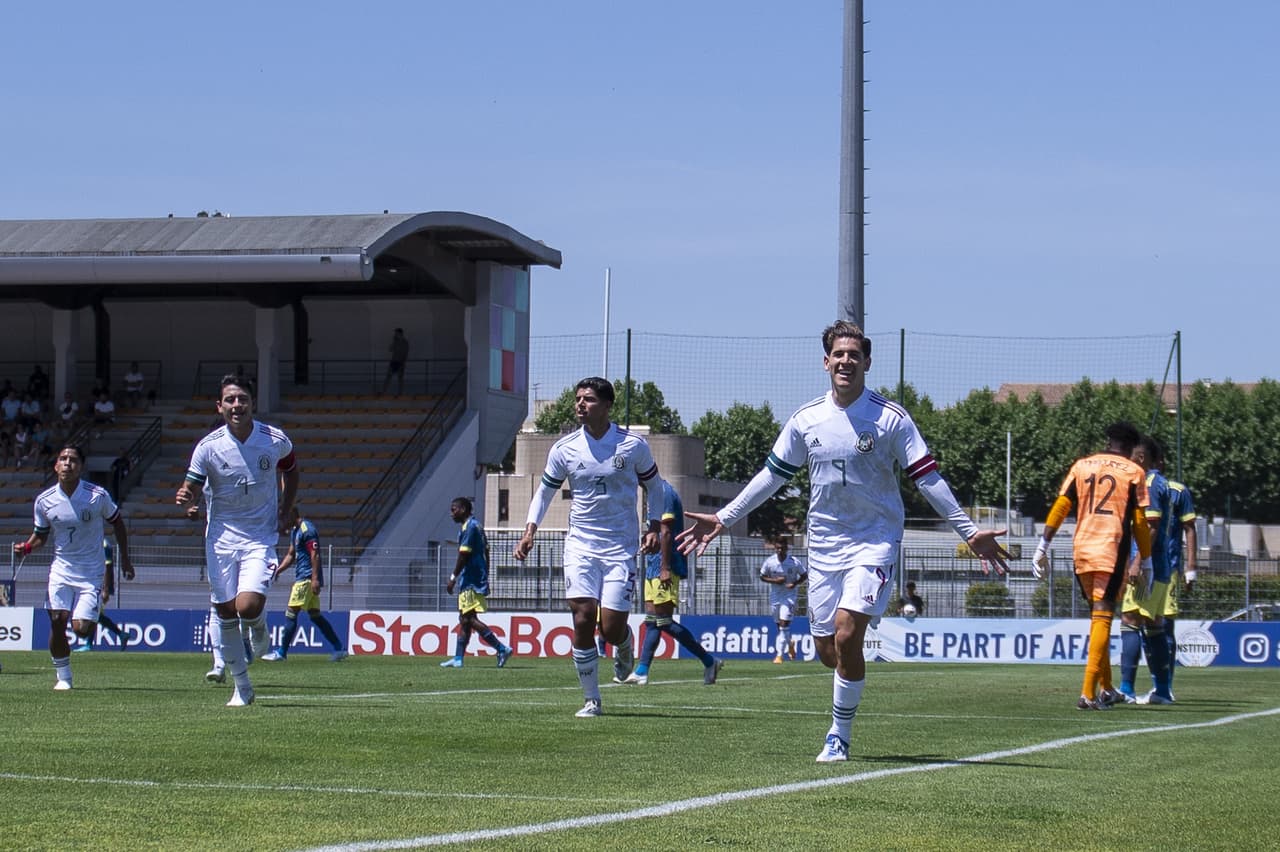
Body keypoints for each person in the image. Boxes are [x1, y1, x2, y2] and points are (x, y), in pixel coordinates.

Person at [678, 321, 1010, 762]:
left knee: (849, 632)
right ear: (826, 362)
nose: (847, 360)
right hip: (825, 545)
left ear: (867, 362)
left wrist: (968, 531)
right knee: (828, 652)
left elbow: (927, 477)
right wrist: (724, 517)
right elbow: (771, 477)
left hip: (875, 541)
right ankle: (844, 687)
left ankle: (839, 734)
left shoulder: (891, 419)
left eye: (855, 354)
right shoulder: (806, 420)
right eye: (839, 354)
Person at [513, 376, 664, 718]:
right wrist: (529, 530)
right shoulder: (564, 449)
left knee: (610, 627)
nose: (581, 404)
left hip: (620, 548)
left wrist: (654, 526)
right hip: (580, 545)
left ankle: (623, 645)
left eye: (589, 399)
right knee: (582, 618)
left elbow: (655, 488)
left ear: (607, 405)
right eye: (578, 398)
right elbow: (545, 491)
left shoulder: (632, 446)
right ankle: (592, 699)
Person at [175, 375, 298, 707]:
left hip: (259, 536)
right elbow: (192, 486)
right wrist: (187, 498)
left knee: (247, 606)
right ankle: (242, 686)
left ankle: (258, 627)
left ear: (252, 404)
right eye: (229, 400)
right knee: (226, 613)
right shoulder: (208, 446)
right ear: (220, 406)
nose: (236, 405)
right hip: (219, 541)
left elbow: (291, 469)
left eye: (242, 399)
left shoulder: (273, 439)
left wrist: (286, 509)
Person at [1033, 421, 1152, 711]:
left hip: (1082, 549)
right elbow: (1138, 521)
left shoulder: (1082, 465)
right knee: (1103, 617)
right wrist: (1146, 560)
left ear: (1109, 440)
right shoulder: (1134, 472)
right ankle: (1087, 692)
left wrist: (1042, 545)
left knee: (1098, 616)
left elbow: (1062, 506)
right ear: (1131, 447)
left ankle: (1107, 688)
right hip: (1111, 549)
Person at [12, 444, 134, 690]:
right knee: (57, 620)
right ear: (56, 466)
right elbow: (41, 534)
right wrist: (27, 546)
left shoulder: (96, 495)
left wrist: (125, 559)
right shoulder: (44, 501)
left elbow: (118, 524)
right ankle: (63, 677)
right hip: (61, 568)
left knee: (81, 629)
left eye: (73, 460)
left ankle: (82, 626)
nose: (68, 463)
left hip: (91, 571)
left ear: (81, 467)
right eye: (63, 459)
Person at [621, 480, 721, 686]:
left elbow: (666, 532)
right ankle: (643, 671)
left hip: (664, 565)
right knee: (652, 621)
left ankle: (708, 661)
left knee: (662, 620)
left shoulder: (664, 493)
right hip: (652, 565)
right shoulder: (654, 493)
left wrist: (665, 568)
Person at [1116, 435, 1176, 705]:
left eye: (1130, 456)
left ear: (1139, 458)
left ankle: (1126, 689)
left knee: (1130, 619)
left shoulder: (1149, 484)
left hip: (1148, 566)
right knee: (1154, 625)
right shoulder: (1160, 483)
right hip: (1161, 566)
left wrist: (1138, 561)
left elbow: (1151, 527)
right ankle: (1161, 691)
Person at [261, 506, 348, 662]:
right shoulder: (296, 530)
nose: (281, 523)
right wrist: (277, 571)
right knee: (315, 616)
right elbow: (291, 554)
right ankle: (338, 648)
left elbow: (315, 555)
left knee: (291, 612)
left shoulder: (307, 529)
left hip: (306, 578)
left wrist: (315, 579)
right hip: (305, 577)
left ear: (292, 515)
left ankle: (282, 652)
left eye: (283, 518)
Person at [439, 497, 513, 668]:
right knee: (465, 619)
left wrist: (452, 578)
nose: (452, 513)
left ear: (464, 509)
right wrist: (485, 573)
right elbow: (487, 550)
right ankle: (458, 658)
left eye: (454, 509)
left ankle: (501, 648)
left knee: (469, 618)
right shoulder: (476, 525)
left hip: (470, 578)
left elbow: (463, 554)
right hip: (476, 576)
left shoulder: (470, 528)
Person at [71, 538, 130, 652]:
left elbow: (107, 566)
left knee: (94, 614)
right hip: (97, 585)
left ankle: (89, 644)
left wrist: (106, 588)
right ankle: (121, 634)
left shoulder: (102, 544)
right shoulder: (95, 543)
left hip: (100, 586)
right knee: (97, 614)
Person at [759, 536, 807, 663]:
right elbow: (762, 577)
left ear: (786, 548)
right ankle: (790, 643)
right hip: (775, 597)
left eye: (782, 548)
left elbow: (804, 575)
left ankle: (779, 655)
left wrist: (795, 584)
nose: (780, 550)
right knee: (779, 626)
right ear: (775, 548)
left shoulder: (794, 562)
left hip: (789, 597)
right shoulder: (770, 562)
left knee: (784, 625)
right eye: (778, 548)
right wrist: (775, 581)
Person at [381, 328, 409, 396]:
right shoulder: (395, 341)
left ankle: (400, 393)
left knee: (400, 379)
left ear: (400, 333)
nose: (395, 335)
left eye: (396, 333)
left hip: (400, 362)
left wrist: (403, 363)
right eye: (395, 333)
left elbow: (405, 353)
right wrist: (394, 342)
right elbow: (390, 349)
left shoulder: (405, 342)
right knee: (388, 377)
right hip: (393, 361)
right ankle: (383, 392)